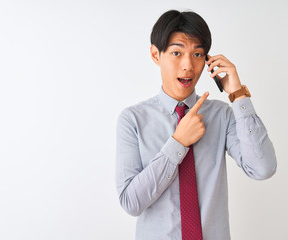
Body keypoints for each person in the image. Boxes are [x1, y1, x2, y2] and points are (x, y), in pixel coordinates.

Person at [116, 9, 277, 240]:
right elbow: (131, 203)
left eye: (198, 54)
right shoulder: (132, 120)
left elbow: (263, 168)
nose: (188, 66)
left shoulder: (222, 115)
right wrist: (177, 143)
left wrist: (238, 95)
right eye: (176, 52)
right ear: (155, 54)